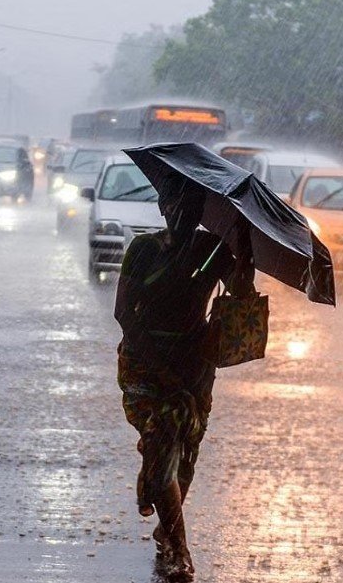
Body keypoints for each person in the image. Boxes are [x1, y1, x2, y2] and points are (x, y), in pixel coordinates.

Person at [114, 181, 254, 580]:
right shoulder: (143, 250)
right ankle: (178, 547)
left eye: (191, 206)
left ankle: (164, 515)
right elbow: (124, 313)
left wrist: (243, 252)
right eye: (174, 203)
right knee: (162, 449)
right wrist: (161, 367)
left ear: (201, 211)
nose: (181, 212)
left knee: (185, 454)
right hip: (146, 366)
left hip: (194, 368)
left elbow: (242, 294)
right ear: (161, 205)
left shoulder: (212, 249)